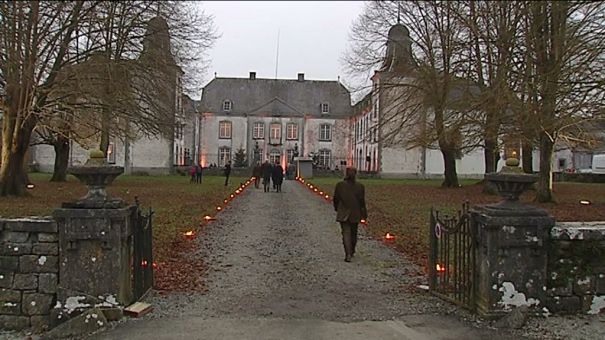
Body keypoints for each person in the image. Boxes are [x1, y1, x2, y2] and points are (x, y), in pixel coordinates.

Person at [333, 167, 367, 262]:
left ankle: (348, 254)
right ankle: (351, 251)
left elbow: (336, 198)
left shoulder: (340, 185)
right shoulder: (360, 186)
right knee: (353, 233)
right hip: (355, 212)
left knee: (346, 233)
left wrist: (336, 208)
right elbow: (362, 202)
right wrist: (364, 214)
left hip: (343, 212)